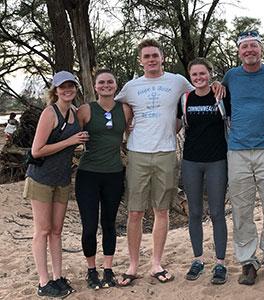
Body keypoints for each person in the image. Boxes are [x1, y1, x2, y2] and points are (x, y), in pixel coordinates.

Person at [115, 38, 194, 285]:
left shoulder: (178, 82)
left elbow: (198, 95)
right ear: (140, 60)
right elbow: (116, 111)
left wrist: (177, 125)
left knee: (161, 210)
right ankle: (133, 265)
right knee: (136, 211)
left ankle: (156, 264)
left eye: (154, 55)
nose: (151, 60)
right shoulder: (131, 87)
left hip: (167, 152)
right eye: (146, 56)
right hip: (138, 153)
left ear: (162, 57)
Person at [222, 31, 264, 285]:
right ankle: (248, 261)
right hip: (237, 151)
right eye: (244, 46)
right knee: (241, 208)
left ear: (261, 49)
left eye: (254, 46)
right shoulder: (231, 77)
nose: (249, 50)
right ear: (239, 52)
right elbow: (219, 100)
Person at [23, 71, 89, 298]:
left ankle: (58, 277)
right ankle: (43, 282)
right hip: (41, 179)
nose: (67, 90)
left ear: (76, 88)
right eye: (63, 87)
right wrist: (70, 141)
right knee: (42, 230)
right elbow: (36, 150)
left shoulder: (74, 113)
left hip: (62, 179)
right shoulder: (49, 114)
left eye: (71, 86)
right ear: (55, 90)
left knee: (57, 231)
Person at [75, 69, 132, 290]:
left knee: (109, 224)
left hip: (114, 174)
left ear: (116, 86)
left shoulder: (125, 109)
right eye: (101, 82)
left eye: (110, 82)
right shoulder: (85, 110)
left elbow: (129, 134)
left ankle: (108, 269)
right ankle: (92, 270)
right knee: (89, 226)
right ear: (95, 86)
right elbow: (71, 135)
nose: (106, 85)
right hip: (88, 174)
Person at [177, 58, 230, 284]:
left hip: (217, 161)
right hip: (191, 162)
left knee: (217, 212)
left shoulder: (221, 95)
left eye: (203, 74)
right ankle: (198, 259)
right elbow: (176, 126)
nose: (199, 78)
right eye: (194, 75)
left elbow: (232, 120)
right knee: (195, 213)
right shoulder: (184, 99)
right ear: (190, 77)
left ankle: (220, 263)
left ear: (210, 74)